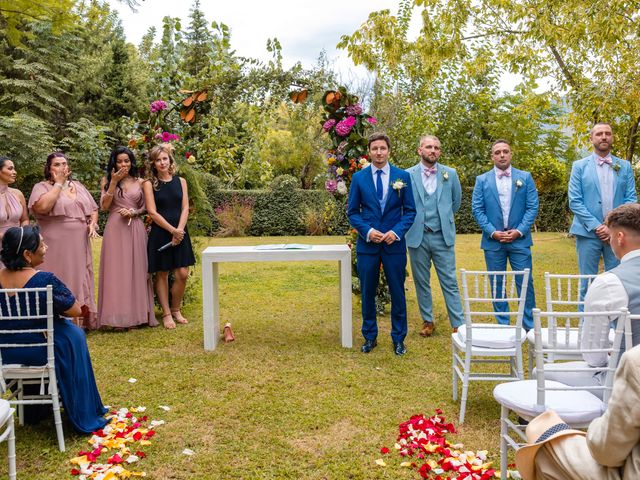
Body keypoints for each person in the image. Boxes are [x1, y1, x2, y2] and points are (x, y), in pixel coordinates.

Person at [0, 226, 107, 433]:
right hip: (42, 352)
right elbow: (75, 310)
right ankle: (79, 406)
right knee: (73, 336)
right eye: (41, 244)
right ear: (27, 255)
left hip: (6, 353)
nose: (46, 247)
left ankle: (35, 409)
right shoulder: (45, 280)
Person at [543, 204, 640, 395]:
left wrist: (613, 353)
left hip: (626, 384)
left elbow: (594, 356)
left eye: (611, 236)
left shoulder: (609, 283)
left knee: (543, 372)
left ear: (619, 238)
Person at [515, 344, 640, 480]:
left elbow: (594, 357)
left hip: (607, 381)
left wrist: (596, 427)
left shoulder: (635, 360)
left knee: (544, 442)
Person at [347, 133, 416, 355]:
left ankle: (398, 338)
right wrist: (368, 232)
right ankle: (369, 336)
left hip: (394, 246)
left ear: (389, 150)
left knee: (398, 292)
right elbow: (352, 213)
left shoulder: (402, 176)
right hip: (368, 246)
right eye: (375, 148)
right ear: (369, 151)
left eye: (383, 148)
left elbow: (410, 211)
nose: (379, 152)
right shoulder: (359, 178)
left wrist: (395, 233)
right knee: (368, 291)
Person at [471, 140, 539, 331]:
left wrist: (518, 231)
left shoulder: (525, 177)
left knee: (525, 282)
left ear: (511, 154)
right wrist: (493, 232)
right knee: (497, 283)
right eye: (498, 152)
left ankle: (529, 326)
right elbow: (477, 210)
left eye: (505, 151)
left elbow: (532, 207)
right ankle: (504, 325)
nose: (502, 155)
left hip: (520, 240)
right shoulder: (482, 180)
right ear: (492, 156)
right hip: (493, 242)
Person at [28, 152, 99, 329]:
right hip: (54, 241)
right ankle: (53, 317)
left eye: (64, 164)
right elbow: (42, 207)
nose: (61, 167)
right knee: (58, 274)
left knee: (78, 274)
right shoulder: (42, 187)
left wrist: (92, 223)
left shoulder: (79, 186)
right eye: (57, 164)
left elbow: (93, 209)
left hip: (79, 241)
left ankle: (78, 319)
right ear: (49, 168)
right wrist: (59, 184)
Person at [568, 123, 637, 303]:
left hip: (619, 234)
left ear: (612, 138)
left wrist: (613, 227)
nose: (604, 137)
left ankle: (617, 328)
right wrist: (598, 226)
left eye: (608, 133)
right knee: (587, 282)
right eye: (599, 134)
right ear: (592, 139)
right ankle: (585, 327)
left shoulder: (625, 166)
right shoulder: (579, 166)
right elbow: (575, 201)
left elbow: (631, 198)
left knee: (619, 282)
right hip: (587, 233)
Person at [405, 135, 464, 336]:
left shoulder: (451, 174)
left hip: (442, 236)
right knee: (421, 280)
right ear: (419, 150)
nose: (433, 150)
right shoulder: (407, 175)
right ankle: (427, 321)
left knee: (449, 280)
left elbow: (455, 202)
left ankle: (458, 323)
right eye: (429, 147)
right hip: (417, 236)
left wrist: (443, 219)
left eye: (437, 147)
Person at [97, 146, 156, 329]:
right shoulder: (107, 180)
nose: (123, 164)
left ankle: (137, 315)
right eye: (120, 161)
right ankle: (117, 317)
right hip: (115, 228)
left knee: (137, 269)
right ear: (114, 162)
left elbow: (147, 208)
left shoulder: (141, 182)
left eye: (127, 161)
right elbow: (104, 207)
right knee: (116, 271)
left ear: (132, 162)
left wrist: (133, 211)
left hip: (134, 227)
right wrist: (114, 182)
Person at [143, 143, 195, 330]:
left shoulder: (181, 181)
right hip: (161, 232)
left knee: (182, 273)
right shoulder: (149, 184)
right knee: (162, 274)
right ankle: (166, 314)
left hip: (181, 232)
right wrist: (172, 231)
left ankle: (176, 309)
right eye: (158, 160)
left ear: (170, 160)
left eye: (165, 158)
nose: (162, 162)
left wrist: (179, 231)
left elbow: (185, 207)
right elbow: (152, 212)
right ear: (153, 164)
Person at [0, 157, 29, 268]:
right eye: (10, 169)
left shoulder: (18, 194)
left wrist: (22, 234)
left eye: (14, 169)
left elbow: (25, 219)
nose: (14, 172)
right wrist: (8, 237)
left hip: (17, 245)